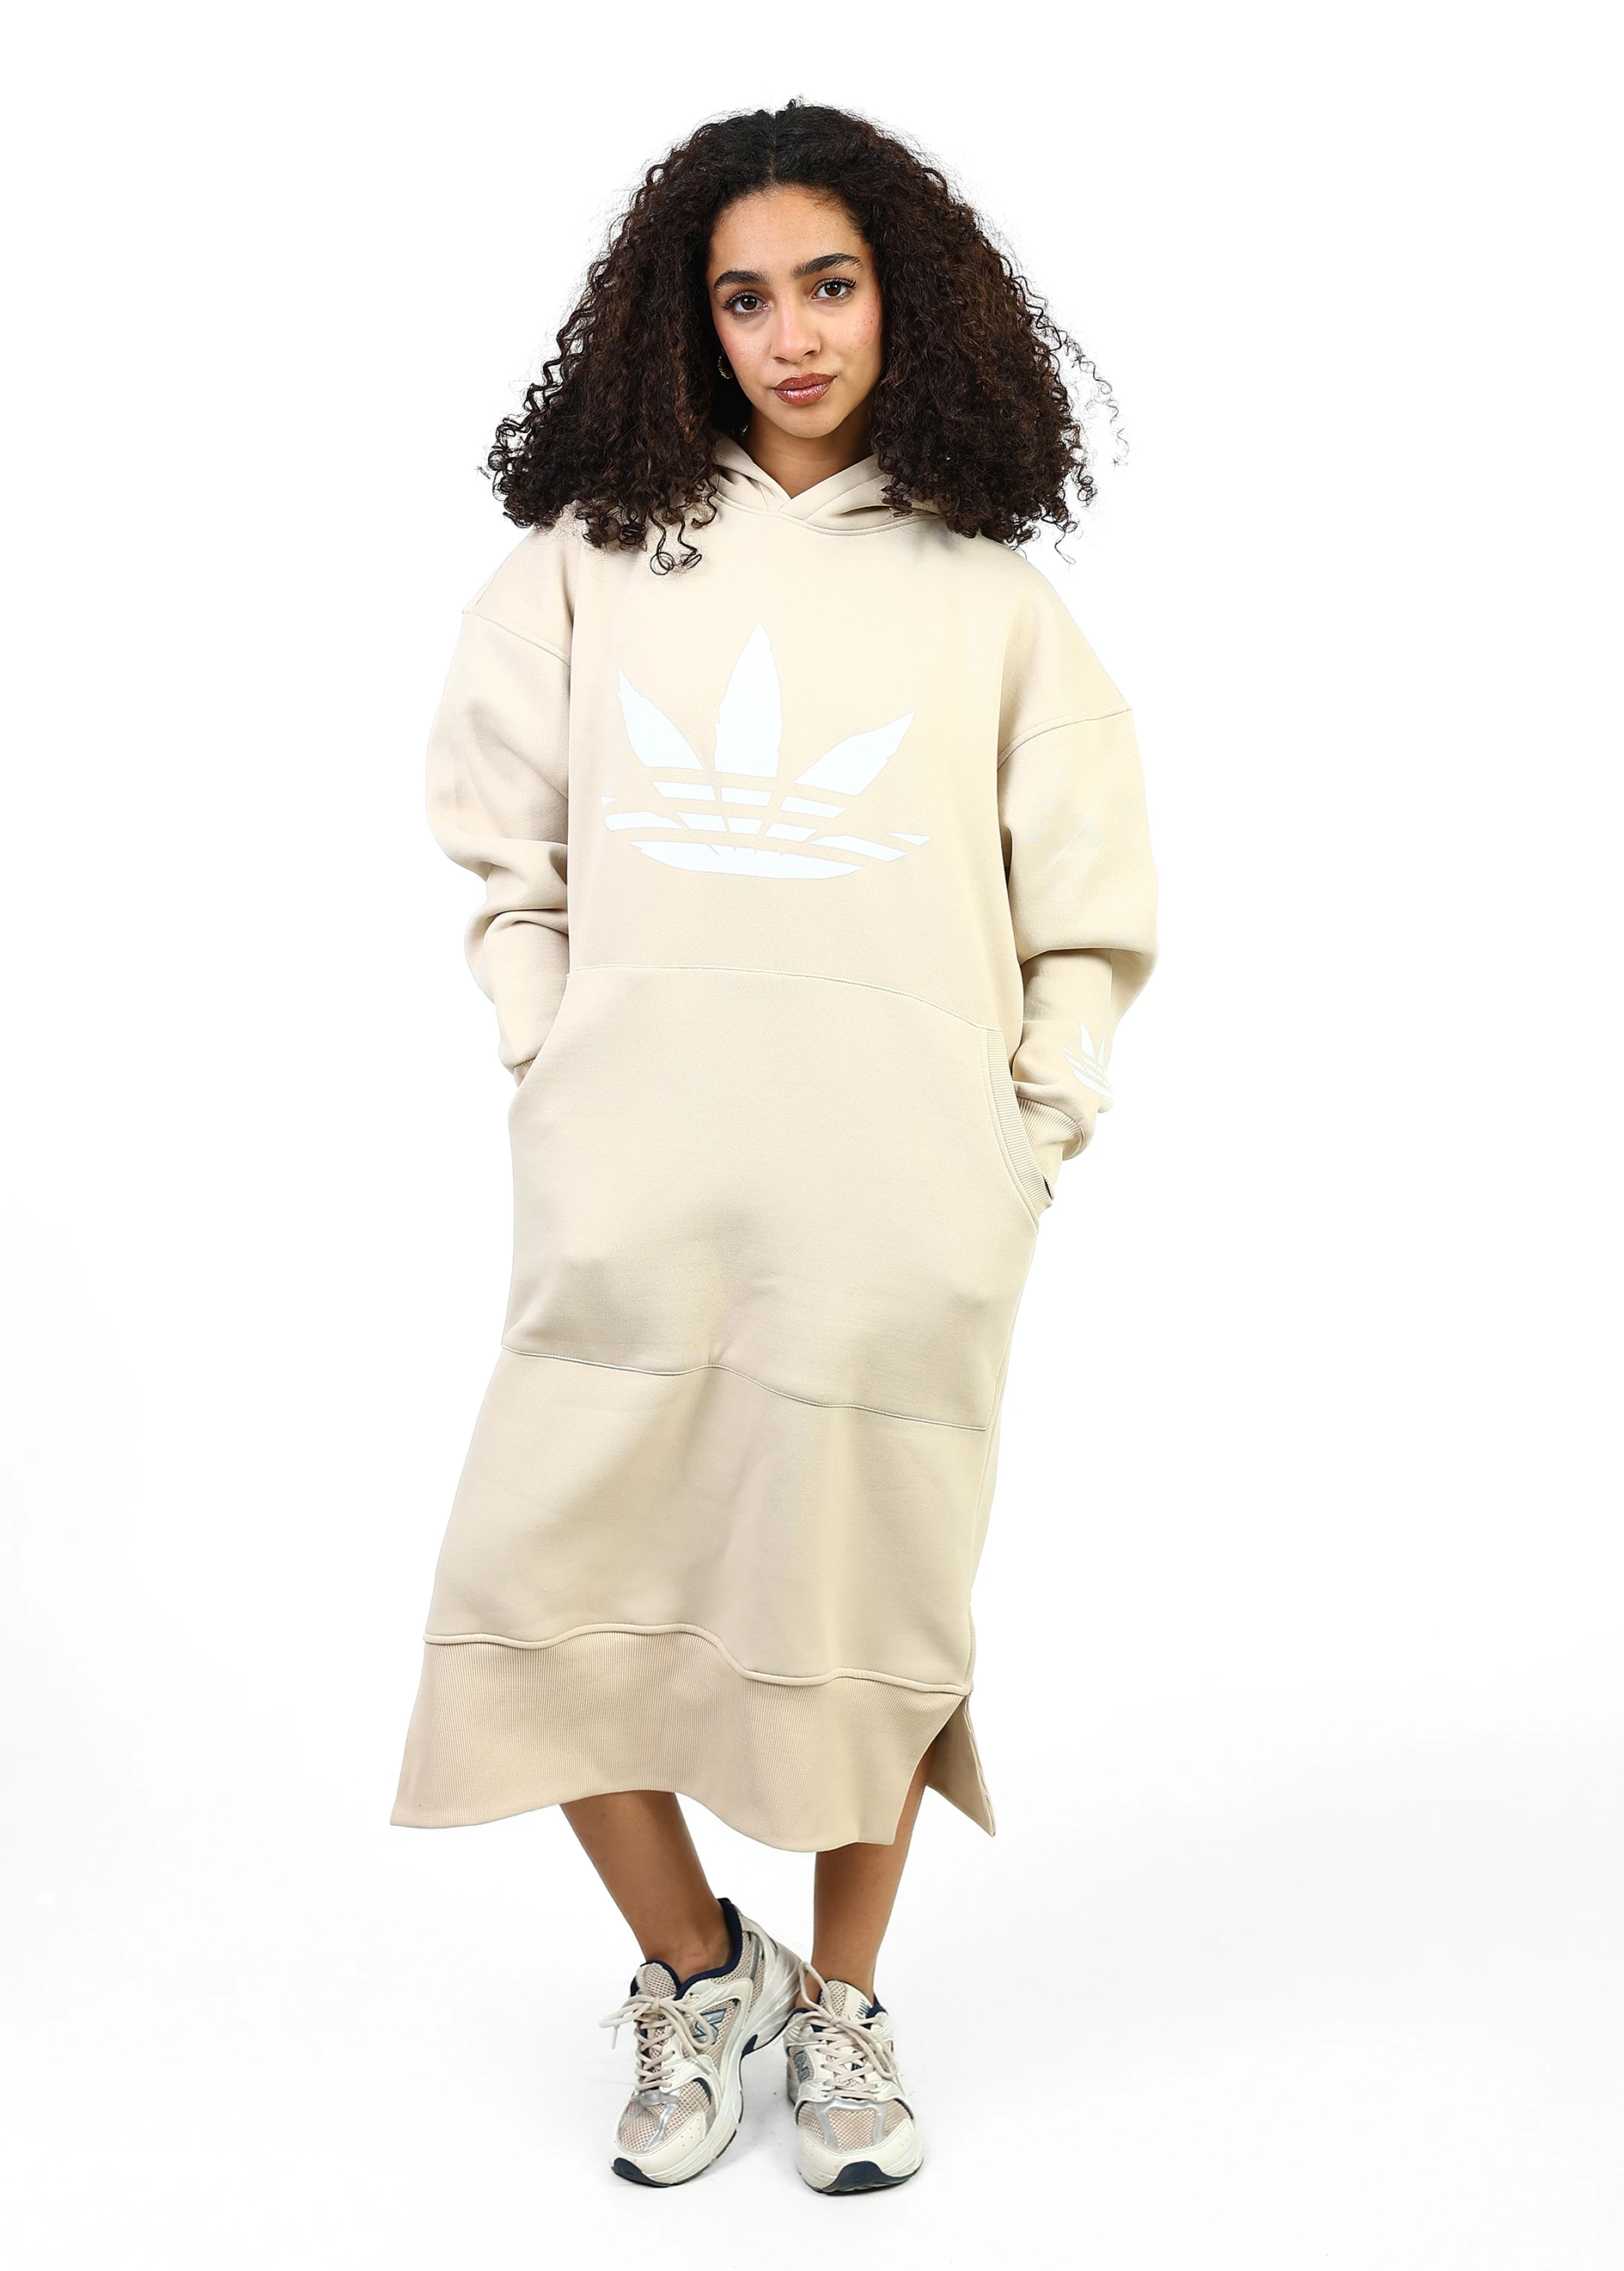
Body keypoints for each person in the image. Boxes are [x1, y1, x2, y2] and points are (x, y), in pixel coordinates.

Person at [392, 100, 1158, 2195]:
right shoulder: (588, 563)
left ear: (907, 300)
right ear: (689, 322)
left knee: (865, 1599)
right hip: (632, 1195)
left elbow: (1088, 911)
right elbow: (505, 848)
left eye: (831, 285)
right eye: (746, 298)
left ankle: (846, 2013)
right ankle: (702, 1967)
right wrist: (555, 1052)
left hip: (903, 1203)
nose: (794, 336)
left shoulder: (987, 602)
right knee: (536, 1586)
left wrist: (1026, 1130)